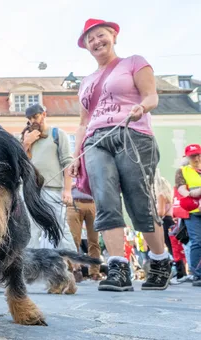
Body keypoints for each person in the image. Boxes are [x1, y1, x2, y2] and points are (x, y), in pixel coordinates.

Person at [69, 18, 171, 291]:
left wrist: (141, 108)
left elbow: (151, 96)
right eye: (90, 39)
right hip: (96, 141)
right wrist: (76, 156)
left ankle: (160, 260)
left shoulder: (134, 62)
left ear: (113, 36)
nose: (96, 41)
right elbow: (82, 122)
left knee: (140, 201)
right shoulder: (87, 81)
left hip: (132, 133)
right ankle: (118, 267)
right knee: (105, 201)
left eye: (100, 35)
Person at [22, 104, 76, 252]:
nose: (33, 121)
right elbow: (18, 162)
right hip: (32, 191)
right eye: (30, 118)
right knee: (31, 230)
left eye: (36, 117)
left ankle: (74, 267)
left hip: (54, 190)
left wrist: (67, 190)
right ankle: (30, 268)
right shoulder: (27, 138)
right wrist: (26, 143)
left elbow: (67, 164)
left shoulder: (58, 134)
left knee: (61, 230)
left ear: (44, 114)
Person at [175, 144, 201, 287]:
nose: (196, 158)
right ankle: (197, 275)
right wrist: (193, 194)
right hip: (193, 212)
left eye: (198, 155)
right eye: (192, 156)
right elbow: (181, 189)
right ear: (187, 157)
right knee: (197, 242)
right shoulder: (182, 171)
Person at [66, 180, 101, 280]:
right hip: (73, 202)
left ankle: (95, 272)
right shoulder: (69, 165)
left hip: (92, 202)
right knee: (73, 239)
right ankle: (72, 270)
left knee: (94, 240)